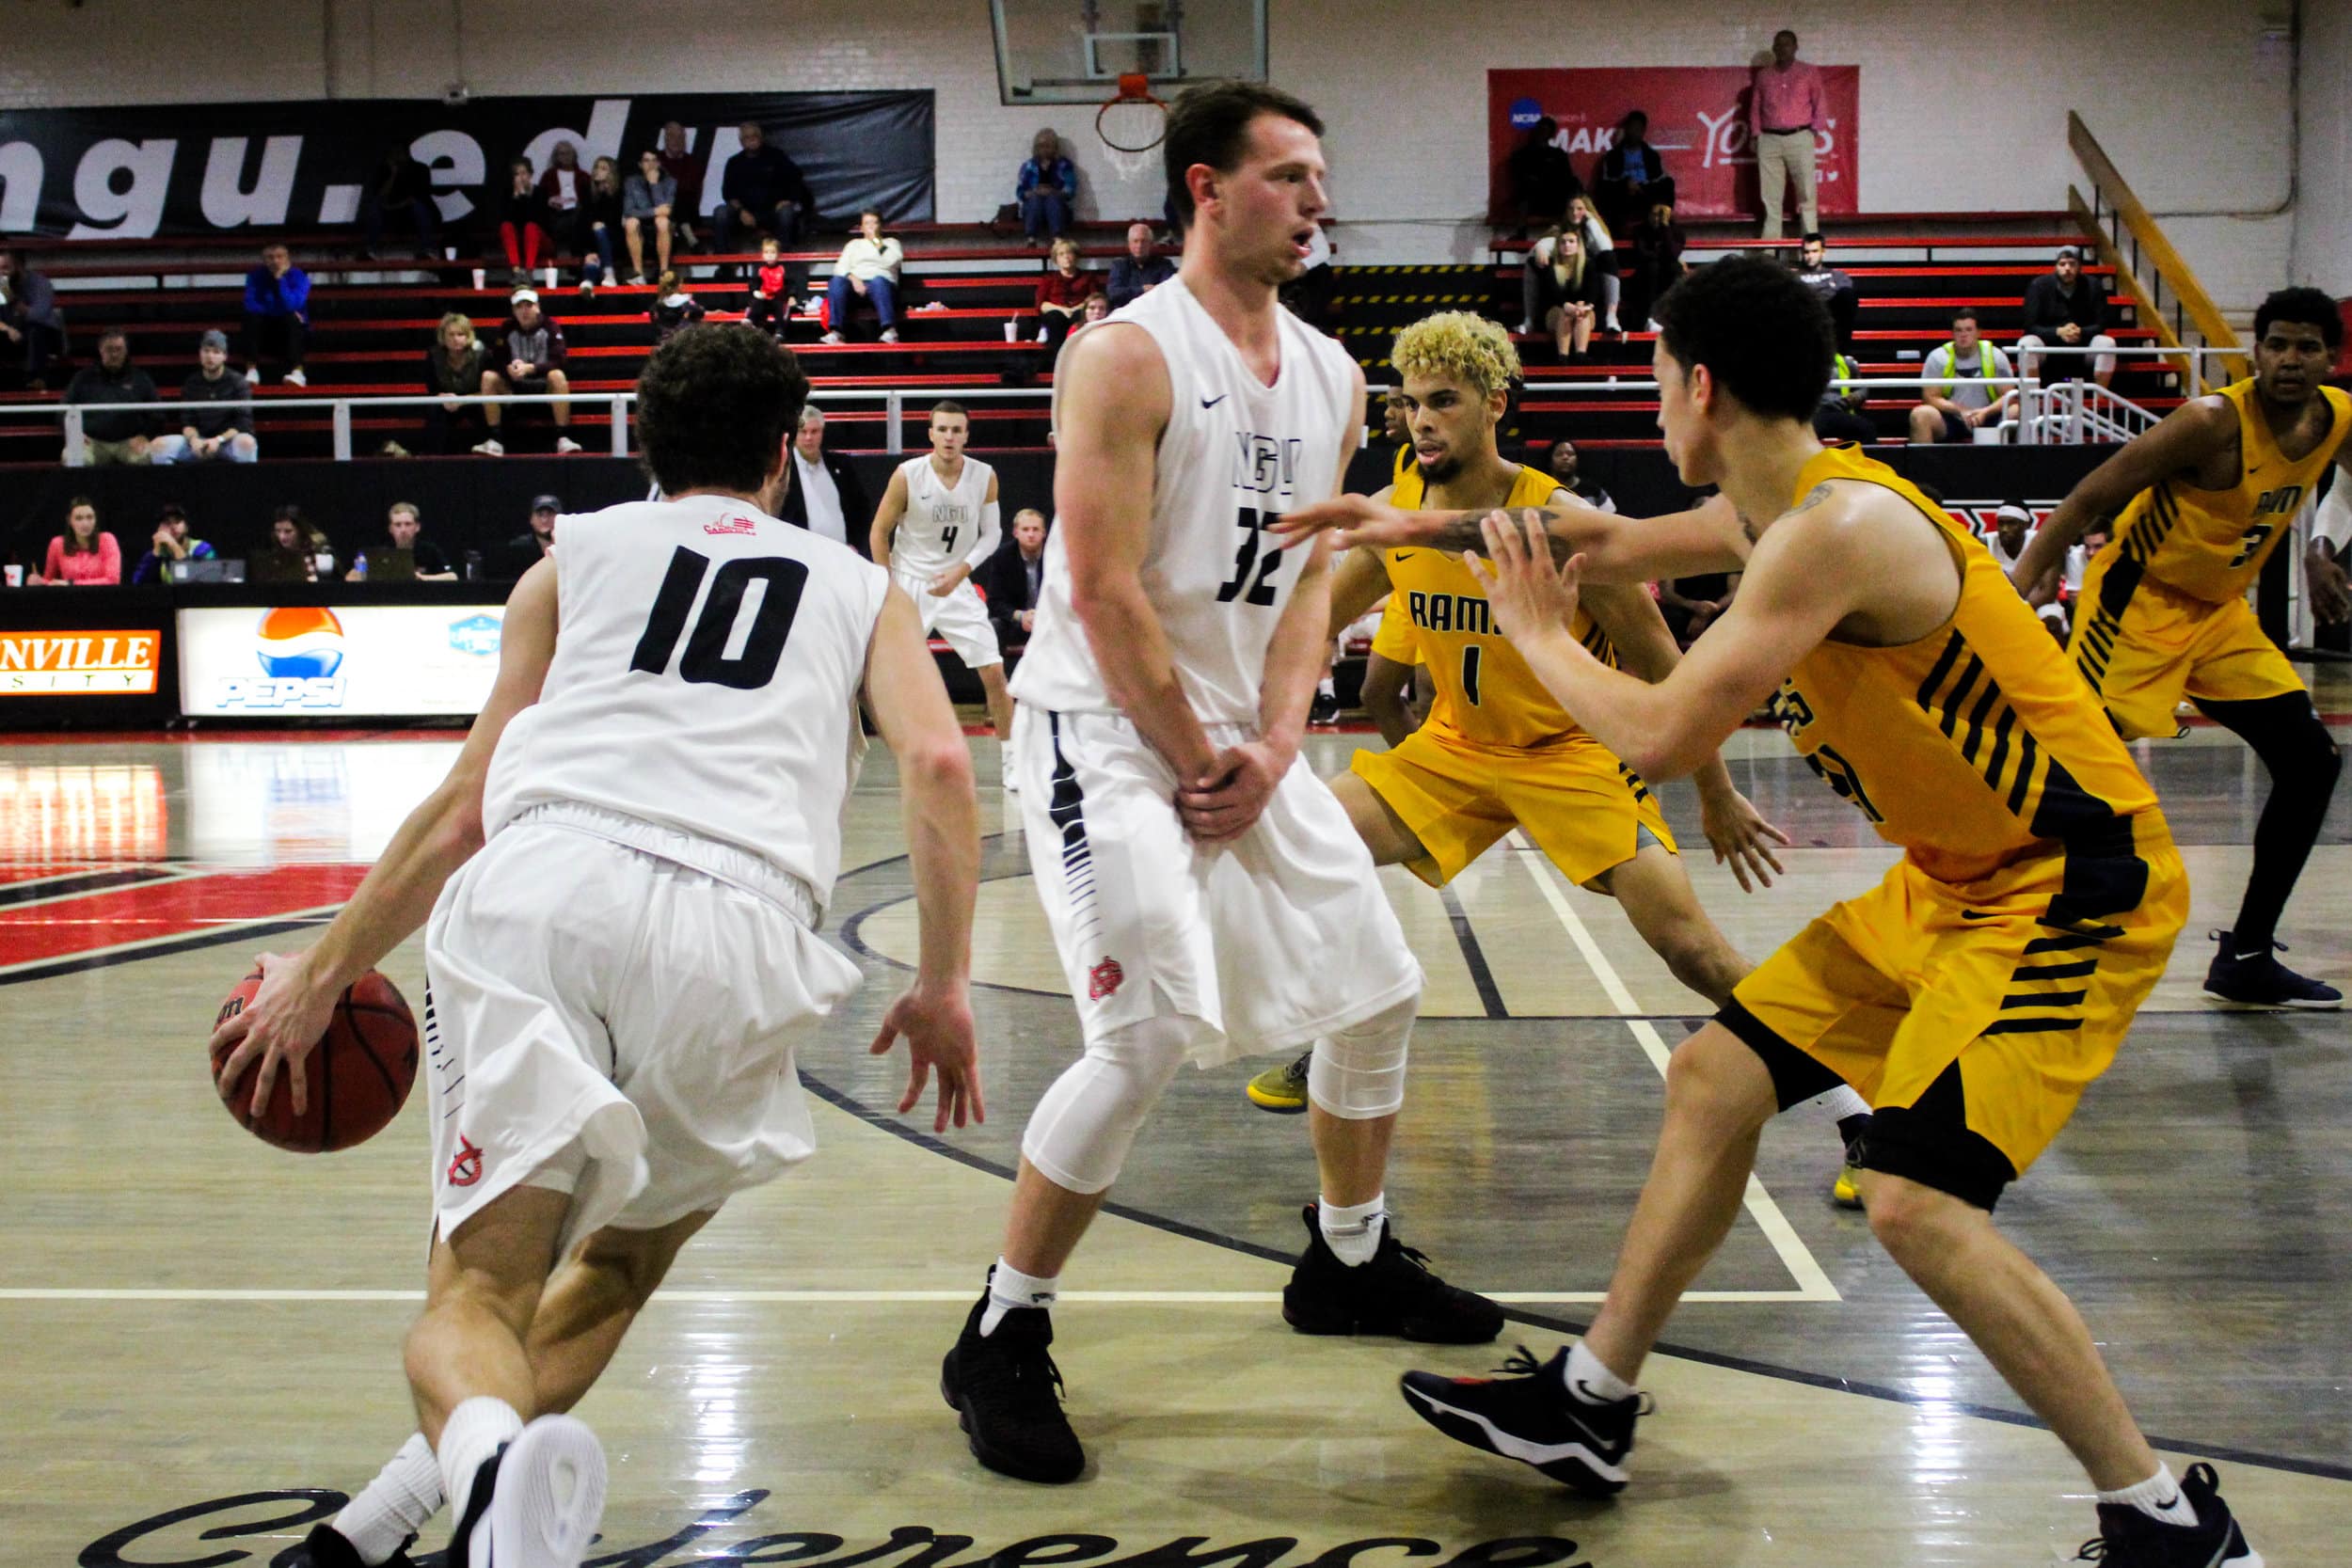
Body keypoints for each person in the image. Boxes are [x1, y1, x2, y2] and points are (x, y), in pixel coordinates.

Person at [1284, 255, 2263, 1568]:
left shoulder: (1835, 531)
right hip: (1953, 880)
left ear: (1698, 385)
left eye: (1652, 376)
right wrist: (1414, 531)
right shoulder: (1782, 504)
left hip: (2072, 886)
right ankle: (1592, 1402)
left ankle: (2167, 1520)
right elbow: (1605, 541)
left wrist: (1535, 632)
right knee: (1714, 1074)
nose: (1648, 399)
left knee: (1916, 1199)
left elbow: (1665, 723)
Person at [211, 322, 982, 1568]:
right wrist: (943, 981)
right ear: (786, 455)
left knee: (476, 1295)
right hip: (742, 933)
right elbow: (942, 764)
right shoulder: (859, 585)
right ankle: (386, 1528)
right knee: (619, 1261)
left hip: (549, 892)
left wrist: (326, 969)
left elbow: (464, 805)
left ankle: (495, 1472)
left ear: (641, 446)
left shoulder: (570, 560)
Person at [938, 81, 1500, 1491]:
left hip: (1243, 738)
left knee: (1377, 988)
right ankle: (1001, 1331)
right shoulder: (1125, 354)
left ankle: (1347, 1262)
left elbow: (1317, 573)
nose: (1319, 202)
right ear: (1205, 188)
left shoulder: (1332, 371)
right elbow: (1098, 587)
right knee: (1146, 1038)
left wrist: (1276, 741)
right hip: (1107, 735)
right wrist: (1207, 760)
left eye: (1322, 178)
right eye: (1291, 177)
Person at [1241, 314, 1865, 1198]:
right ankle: (1343, 1032)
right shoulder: (1401, 514)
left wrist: (1717, 793)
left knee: (1691, 949)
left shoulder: (1560, 518)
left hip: (1569, 754)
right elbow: (1309, 626)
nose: (1422, 420)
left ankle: (1861, 1111)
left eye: (1444, 402)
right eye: (1411, 404)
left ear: (1495, 404)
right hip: (1454, 751)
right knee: (1300, 846)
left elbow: (1661, 658)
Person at [2010, 285, 2349, 1007]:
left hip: (2219, 613)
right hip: (2138, 601)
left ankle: (2248, 955)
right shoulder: (2210, 421)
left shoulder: (2338, 417)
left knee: (2311, 761)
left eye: (2308, 347)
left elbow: (2344, 481)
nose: (2291, 360)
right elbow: (2089, 496)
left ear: (2332, 358)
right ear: (2254, 352)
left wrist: (2320, 547)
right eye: (2277, 344)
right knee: (2074, 779)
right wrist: (2021, 585)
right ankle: (2005, 930)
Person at [869, 402, 1018, 776]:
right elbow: (878, 531)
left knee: (995, 673)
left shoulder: (984, 476)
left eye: (957, 430)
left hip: (955, 582)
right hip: (909, 582)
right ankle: (880, 752)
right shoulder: (908, 475)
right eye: (943, 429)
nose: (950, 437)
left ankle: (1012, 760)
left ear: (967, 435)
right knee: (880, 676)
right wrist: (886, 585)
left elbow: (993, 534)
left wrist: (961, 571)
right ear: (930, 433)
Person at [485, 289, 580, 455]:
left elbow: (560, 359)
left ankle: (563, 437)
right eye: (519, 307)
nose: (524, 311)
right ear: (514, 310)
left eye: (528, 305)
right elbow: (497, 359)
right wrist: (507, 369)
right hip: (513, 388)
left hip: (545, 388)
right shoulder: (507, 328)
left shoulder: (551, 327)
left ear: (537, 307)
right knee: (488, 377)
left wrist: (532, 368)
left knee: (557, 376)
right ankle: (495, 439)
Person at [1752, 28, 1825, 242]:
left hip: (1800, 136)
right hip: (1769, 140)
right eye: (1777, 44)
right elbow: (1755, 107)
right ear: (1773, 47)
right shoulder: (1763, 75)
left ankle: (1810, 247)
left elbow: (1820, 104)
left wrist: (1813, 131)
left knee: (1807, 195)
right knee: (1770, 197)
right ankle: (1769, 249)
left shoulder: (1809, 72)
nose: (1781, 48)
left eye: (1786, 44)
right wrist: (1757, 135)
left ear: (1795, 47)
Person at [2018, 245, 2119, 388]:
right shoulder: (2039, 285)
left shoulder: (2093, 285)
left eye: (2072, 264)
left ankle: (2100, 400)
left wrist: (2080, 332)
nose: (2067, 268)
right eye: (2062, 264)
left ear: (2079, 267)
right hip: (2048, 346)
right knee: (2026, 344)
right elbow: (2029, 325)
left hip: (2083, 343)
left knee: (2108, 344)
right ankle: (2033, 398)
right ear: (2056, 266)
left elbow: (2102, 324)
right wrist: (2058, 332)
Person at [1910, 311, 2016, 444]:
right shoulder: (1938, 357)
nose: (1963, 334)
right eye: (1958, 330)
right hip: (1952, 418)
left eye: (1969, 329)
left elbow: (2008, 396)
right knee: (1920, 415)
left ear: (1979, 332)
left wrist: (1985, 412)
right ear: (1952, 333)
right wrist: (1961, 411)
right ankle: (1922, 464)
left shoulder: (1995, 356)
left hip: (1989, 416)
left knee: (2016, 411)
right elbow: (1929, 397)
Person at [152, 330, 258, 465]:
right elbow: (187, 422)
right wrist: (194, 440)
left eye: (216, 352)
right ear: (200, 354)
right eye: (206, 351)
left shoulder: (238, 382)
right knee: (159, 446)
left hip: (227, 441)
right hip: (199, 441)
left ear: (225, 356)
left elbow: (243, 423)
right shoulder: (191, 383)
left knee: (247, 443)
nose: (210, 356)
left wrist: (218, 440)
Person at [62, 330, 160, 466]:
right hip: (92, 442)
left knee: (148, 456)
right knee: (73, 457)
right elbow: (62, 411)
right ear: (100, 350)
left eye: (118, 349)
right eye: (109, 349)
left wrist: (144, 436)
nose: (114, 354)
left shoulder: (141, 379)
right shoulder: (82, 378)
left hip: (129, 443)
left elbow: (157, 414)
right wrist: (75, 434)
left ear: (126, 351)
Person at [782, 406, 870, 553]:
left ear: (822, 432)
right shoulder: (784, 470)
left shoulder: (840, 465)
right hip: (804, 556)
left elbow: (860, 508)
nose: (809, 437)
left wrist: (856, 545)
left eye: (814, 431)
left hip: (843, 554)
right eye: (803, 432)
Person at [718, 122, 812, 259]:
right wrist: (741, 212)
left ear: (761, 137)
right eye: (747, 137)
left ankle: (783, 262)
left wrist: (788, 200)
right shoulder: (734, 163)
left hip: (772, 213)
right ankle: (723, 264)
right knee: (721, 212)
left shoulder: (777, 156)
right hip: (744, 214)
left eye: (754, 135)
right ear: (741, 141)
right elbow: (728, 194)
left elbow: (796, 179)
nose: (751, 139)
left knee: (786, 212)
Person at [422, 312, 502, 456]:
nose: (455, 339)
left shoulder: (483, 354)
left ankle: (487, 455)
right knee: (435, 411)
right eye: (451, 335)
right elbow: (432, 388)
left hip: (475, 400)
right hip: (448, 402)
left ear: (468, 336)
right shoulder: (434, 355)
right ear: (443, 337)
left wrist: (463, 400)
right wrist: (442, 396)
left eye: (460, 334)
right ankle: (435, 459)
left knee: (486, 412)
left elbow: (489, 390)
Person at [1524, 223, 1607, 361]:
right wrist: (1566, 305)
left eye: (1571, 242)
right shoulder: (1551, 266)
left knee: (1582, 315)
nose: (1567, 245)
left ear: (1578, 245)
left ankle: (1581, 355)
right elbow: (1552, 293)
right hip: (1556, 311)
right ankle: (1563, 357)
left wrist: (1585, 305)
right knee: (1565, 314)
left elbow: (1593, 290)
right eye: (1563, 242)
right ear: (1558, 245)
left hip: (1582, 309)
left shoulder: (1588, 265)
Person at [823, 210, 904, 345]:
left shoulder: (891, 243)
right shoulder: (853, 245)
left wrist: (876, 241)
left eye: (874, 223)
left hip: (882, 287)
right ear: (861, 228)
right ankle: (835, 332)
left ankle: (890, 330)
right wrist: (854, 279)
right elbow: (840, 267)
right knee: (837, 281)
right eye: (867, 223)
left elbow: (892, 261)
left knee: (878, 282)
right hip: (855, 288)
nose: (871, 227)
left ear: (881, 226)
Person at [977, 507, 1050, 650]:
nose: (1031, 534)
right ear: (1015, 532)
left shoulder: (1056, 555)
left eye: (1035, 529)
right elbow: (994, 603)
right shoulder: (1002, 557)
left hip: (1051, 622)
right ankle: (996, 671)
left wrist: (1043, 617)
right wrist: (1021, 616)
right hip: (1017, 623)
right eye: (1025, 529)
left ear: (1044, 533)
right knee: (994, 627)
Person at [1593, 111, 1676, 234]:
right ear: (1626, 129)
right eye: (1632, 127)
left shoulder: (1652, 156)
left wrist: (1641, 187)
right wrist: (1625, 184)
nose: (1635, 132)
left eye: (1639, 128)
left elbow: (1660, 180)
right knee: (1607, 192)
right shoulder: (1612, 156)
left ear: (1643, 131)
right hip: (1622, 195)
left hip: (1646, 194)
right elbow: (1605, 183)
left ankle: (1662, 226)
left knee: (1668, 184)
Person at [0, 246, 69, 390]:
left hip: (44, 334)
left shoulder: (40, 284)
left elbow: (38, 316)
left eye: (6, 268)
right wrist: (8, 329)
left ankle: (35, 379)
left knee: (36, 331)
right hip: (14, 334)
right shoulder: (2, 284)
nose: (1, 273)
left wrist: (12, 299)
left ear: (19, 266)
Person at [243, 243, 310, 387]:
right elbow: (250, 304)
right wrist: (276, 310)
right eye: (270, 257)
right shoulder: (255, 276)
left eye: (280, 257)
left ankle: (298, 372)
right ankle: (252, 371)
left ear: (287, 259)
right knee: (251, 319)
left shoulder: (299, 276)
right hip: (265, 330)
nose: (275, 261)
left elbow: (293, 304)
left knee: (292, 318)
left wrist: (280, 280)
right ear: (264, 260)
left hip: (289, 332)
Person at [361, 145, 440, 261]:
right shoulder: (384, 171)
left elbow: (419, 196)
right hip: (391, 215)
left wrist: (400, 204)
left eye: (399, 154)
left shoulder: (420, 169)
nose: (397, 158)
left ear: (407, 155)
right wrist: (393, 174)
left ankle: (428, 250)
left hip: (412, 214)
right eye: (393, 155)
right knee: (374, 207)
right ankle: (371, 250)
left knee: (419, 207)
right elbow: (380, 196)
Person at [1504, 117, 1581, 233]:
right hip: (1532, 196)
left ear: (1551, 135)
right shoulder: (1522, 154)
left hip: (1554, 196)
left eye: (1546, 131)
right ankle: (1520, 232)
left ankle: (1571, 233)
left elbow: (1567, 177)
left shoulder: (1558, 154)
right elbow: (1519, 177)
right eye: (1539, 130)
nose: (1541, 134)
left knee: (1574, 185)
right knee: (1525, 191)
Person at [1619, 200, 1687, 332]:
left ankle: (1671, 317)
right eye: (1654, 214)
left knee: (1675, 268)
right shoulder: (1640, 231)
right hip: (1646, 276)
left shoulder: (1676, 232)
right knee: (1652, 267)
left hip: (1666, 273)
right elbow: (1642, 254)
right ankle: (1649, 318)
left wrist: (1665, 227)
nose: (1657, 218)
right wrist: (1663, 256)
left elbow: (1672, 253)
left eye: (1661, 215)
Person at [348, 501, 456, 580]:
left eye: (408, 524)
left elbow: (452, 577)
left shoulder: (429, 551)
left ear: (417, 527)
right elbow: (350, 578)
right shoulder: (382, 552)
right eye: (398, 525)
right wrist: (360, 572)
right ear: (390, 529)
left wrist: (423, 578)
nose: (403, 530)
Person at [1032, 236, 1101, 353]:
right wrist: (1063, 310)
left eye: (1069, 253)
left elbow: (1094, 299)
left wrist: (1075, 308)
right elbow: (1041, 305)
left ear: (1076, 256)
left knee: (1079, 316)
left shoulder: (1088, 278)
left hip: (1079, 312)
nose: (1066, 257)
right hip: (1056, 315)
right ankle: (1058, 360)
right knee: (1055, 317)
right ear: (1056, 259)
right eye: (1061, 254)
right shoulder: (1049, 279)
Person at [32, 497, 121, 586]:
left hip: (102, 597)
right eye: (79, 518)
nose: (85, 523)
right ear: (69, 520)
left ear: (96, 519)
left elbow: (113, 580)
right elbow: (49, 581)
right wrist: (38, 582)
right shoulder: (57, 544)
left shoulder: (107, 540)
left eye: (90, 517)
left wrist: (71, 583)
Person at [1790, 232, 1855, 353]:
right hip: (1804, 315)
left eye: (1814, 251)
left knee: (1847, 295)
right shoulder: (1793, 276)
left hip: (1829, 314)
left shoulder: (1836, 275)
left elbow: (1846, 296)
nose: (1810, 256)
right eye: (1806, 252)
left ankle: (1840, 353)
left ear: (1823, 251)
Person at [623, 150, 679, 284]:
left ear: (659, 164)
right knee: (631, 222)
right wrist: (654, 211)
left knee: (662, 221)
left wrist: (654, 184)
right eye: (647, 161)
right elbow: (629, 211)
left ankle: (663, 273)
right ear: (640, 164)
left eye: (654, 160)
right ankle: (638, 274)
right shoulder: (631, 182)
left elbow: (666, 210)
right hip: (640, 233)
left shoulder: (670, 182)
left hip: (665, 234)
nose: (651, 164)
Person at [536, 141, 590, 276]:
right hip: (556, 215)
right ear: (556, 156)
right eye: (562, 153)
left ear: (574, 155)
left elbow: (590, 198)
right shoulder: (548, 175)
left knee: (580, 216)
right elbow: (541, 198)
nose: (566, 156)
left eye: (569, 153)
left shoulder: (584, 176)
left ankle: (576, 263)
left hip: (577, 214)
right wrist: (551, 201)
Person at [493, 157, 548, 287]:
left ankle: (529, 272)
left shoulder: (540, 192)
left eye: (523, 173)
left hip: (540, 242)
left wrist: (523, 195)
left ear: (530, 174)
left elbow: (535, 219)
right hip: (518, 243)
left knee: (530, 227)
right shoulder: (508, 194)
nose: (520, 178)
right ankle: (516, 271)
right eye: (516, 174)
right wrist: (516, 197)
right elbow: (506, 219)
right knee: (506, 226)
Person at [1016, 129, 1077, 245]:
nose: (1044, 150)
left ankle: (1058, 238)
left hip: (1058, 208)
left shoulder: (1064, 165)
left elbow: (1071, 188)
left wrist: (1054, 192)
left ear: (1055, 147)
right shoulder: (1028, 166)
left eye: (1048, 146)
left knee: (1052, 200)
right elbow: (1020, 192)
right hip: (1034, 207)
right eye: (1041, 146)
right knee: (1035, 200)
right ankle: (1031, 238)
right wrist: (1033, 192)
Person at [131, 503, 215, 584]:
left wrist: (174, 545)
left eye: (177, 521)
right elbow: (139, 585)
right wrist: (156, 553)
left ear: (186, 527)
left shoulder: (203, 549)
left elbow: (196, 582)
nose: (173, 526)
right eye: (167, 523)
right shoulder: (154, 555)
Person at [580, 155, 626, 292]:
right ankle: (589, 283)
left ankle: (607, 273)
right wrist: (585, 252)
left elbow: (613, 220)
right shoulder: (587, 192)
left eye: (603, 168)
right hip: (592, 240)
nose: (598, 171)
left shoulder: (618, 194)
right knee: (591, 256)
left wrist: (605, 192)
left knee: (599, 228)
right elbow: (582, 222)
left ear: (612, 174)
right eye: (596, 167)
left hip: (613, 240)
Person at [1105, 221, 1174, 309]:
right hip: (1125, 315)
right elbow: (1113, 294)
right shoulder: (1119, 265)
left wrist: (1130, 293)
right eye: (1135, 241)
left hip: (1154, 313)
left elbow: (1167, 292)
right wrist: (1142, 290)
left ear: (1151, 244)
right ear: (1129, 244)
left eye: (1144, 241)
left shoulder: (1164, 265)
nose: (1139, 245)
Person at [1813, 345, 1874, 444]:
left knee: (1866, 428)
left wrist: (1856, 396)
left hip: (1840, 410)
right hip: (1814, 413)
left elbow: (1863, 387)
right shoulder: (1804, 364)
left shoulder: (1846, 362)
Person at [1543, 436, 1613, 512]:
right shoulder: (1542, 490)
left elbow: (1610, 519)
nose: (1565, 457)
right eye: (1559, 454)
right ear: (1550, 461)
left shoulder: (1594, 492)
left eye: (1570, 454)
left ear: (1577, 460)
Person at [747, 236, 797, 340]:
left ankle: (780, 330)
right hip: (764, 297)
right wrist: (755, 291)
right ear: (762, 255)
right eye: (766, 252)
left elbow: (790, 284)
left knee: (780, 309)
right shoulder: (760, 269)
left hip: (778, 298)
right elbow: (754, 282)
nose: (769, 255)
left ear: (778, 255)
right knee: (756, 303)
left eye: (773, 252)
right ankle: (750, 321)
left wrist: (792, 296)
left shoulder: (783, 269)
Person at [500, 495, 561, 578]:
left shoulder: (569, 546)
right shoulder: (519, 547)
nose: (544, 520)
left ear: (560, 518)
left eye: (549, 514)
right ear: (531, 519)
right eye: (540, 515)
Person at [261, 505, 327, 582]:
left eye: (288, 531)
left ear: (300, 531)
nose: (282, 537)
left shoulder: (316, 548)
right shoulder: (272, 550)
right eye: (278, 531)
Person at [647, 272, 707, 343]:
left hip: (665, 343)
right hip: (684, 342)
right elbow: (700, 312)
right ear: (679, 285)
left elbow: (654, 321)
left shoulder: (656, 306)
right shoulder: (687, 302)